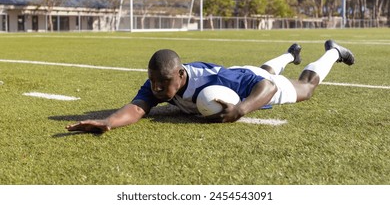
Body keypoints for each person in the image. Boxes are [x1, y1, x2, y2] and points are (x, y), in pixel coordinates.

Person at [66, 40, 354, 133]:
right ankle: (291, 54)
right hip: (245, 74)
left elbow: (266, 86)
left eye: (162, 83)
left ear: (180, 75)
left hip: (249, 86)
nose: (155, 88)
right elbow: (137, 108)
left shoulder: (214, 83)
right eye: (152, 81)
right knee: (261, 68)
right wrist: (108, 123)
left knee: (305, 87)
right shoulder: (157, 82)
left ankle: (333, 52)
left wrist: (241, 109)